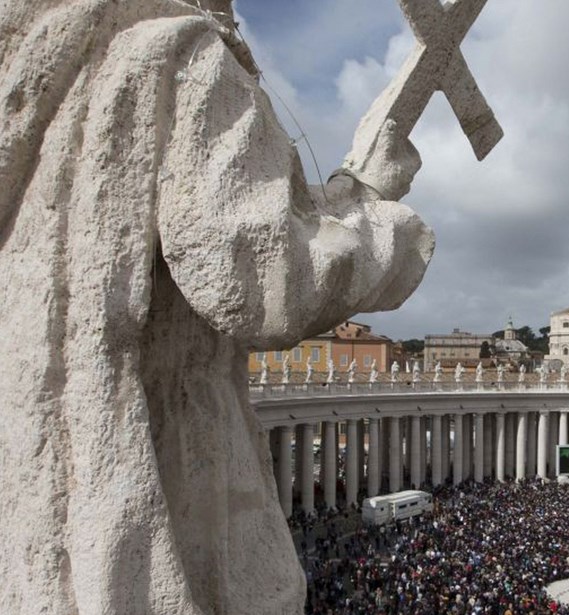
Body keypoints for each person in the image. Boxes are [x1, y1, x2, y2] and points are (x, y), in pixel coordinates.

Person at [0, 2, 432, 613]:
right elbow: (267, 279)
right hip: (159, 471)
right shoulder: (182, 53)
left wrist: (340, 193)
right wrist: (373, 204)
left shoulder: (35, 57)